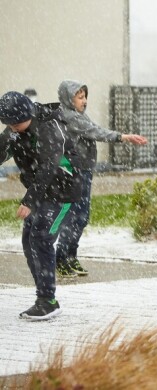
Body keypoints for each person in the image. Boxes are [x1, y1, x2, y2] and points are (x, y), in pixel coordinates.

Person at [0, 91, 82, 320]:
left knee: (41, 237)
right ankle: (44, 295)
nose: (12, 127)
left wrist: (29, 201)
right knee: (29, 241)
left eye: (15, 123)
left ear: (27, 114)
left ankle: (48, 300)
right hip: (42, 190)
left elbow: (48, 166)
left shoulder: (49, 127)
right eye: (8, 123)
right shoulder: (15, 130)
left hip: (63, 191)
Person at [54, 80, 148, 278]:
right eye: (80, 97)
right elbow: (96, 132)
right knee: (76, 216)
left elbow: (94, 127)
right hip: (76, 172)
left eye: (85, 96)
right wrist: (123, 136)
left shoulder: (78, 115)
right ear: (68, 99)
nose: (84, 101)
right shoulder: (71, 117)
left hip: (83, 170)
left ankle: (69, 257)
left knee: (81, 216)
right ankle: (62, 258)